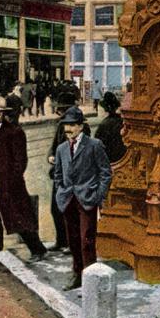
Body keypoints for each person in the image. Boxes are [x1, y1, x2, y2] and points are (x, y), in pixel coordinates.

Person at [0, 96, 46, 270]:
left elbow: (21, 162)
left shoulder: (14, 132)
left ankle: (38, 250)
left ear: (2, 114)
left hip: (9, 188)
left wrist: (11, 181)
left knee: (20, 222)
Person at [54, 106, 112, 290]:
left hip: (87, 199)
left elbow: (106, 173)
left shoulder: (94, 145)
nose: (67, 129)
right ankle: (77, 274)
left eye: (71, 125)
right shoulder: (62, 148)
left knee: (87, 239)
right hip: (68, 200)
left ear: (80, 126)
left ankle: (90, 277)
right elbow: (57, 174)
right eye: (65, 125)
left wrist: (97, 196)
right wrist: (61, 191)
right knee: (73, 239)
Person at [47, 97, 90, 252]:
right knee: (56, 209)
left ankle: (72, 244)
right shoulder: (61, 126)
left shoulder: (83, 128)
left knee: (71, 211)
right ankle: (61, 241)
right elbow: (54, 146)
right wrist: (51, 156)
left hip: (73, 177)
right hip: (59, 174)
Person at [95, 91, 126, 163]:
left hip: (109, 159)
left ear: (105, 109)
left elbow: (99, 145)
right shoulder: (121, 120)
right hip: (121, 156)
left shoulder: (104, 124)